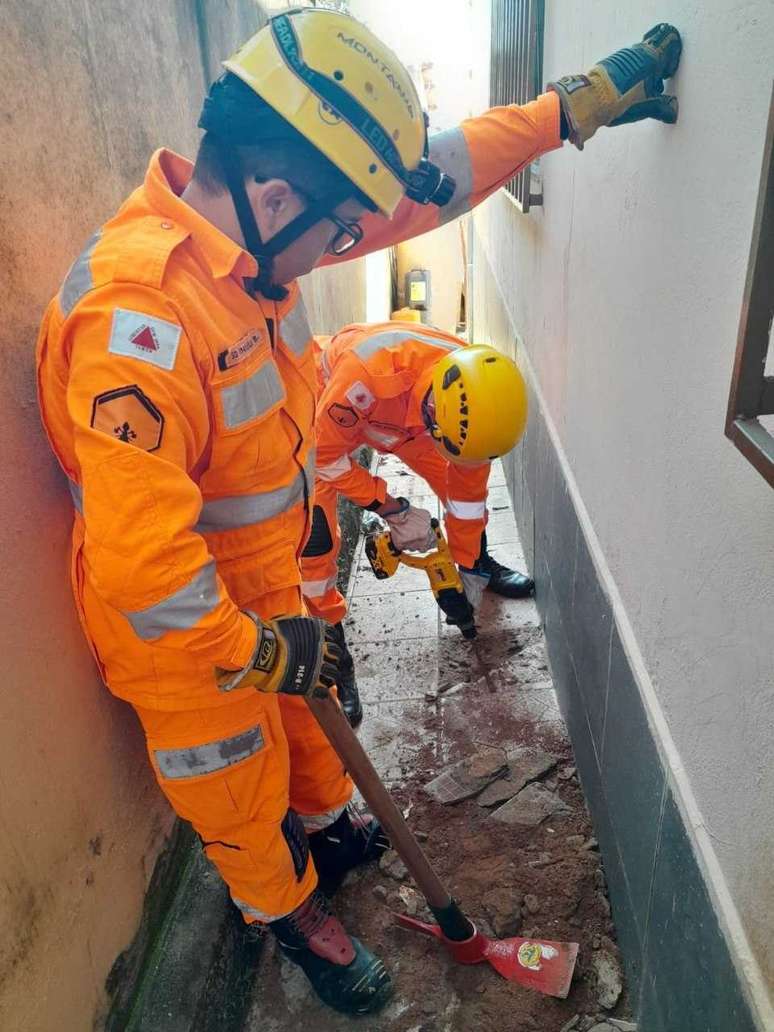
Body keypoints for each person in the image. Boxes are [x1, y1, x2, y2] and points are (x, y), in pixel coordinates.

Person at [35, 8, 681, 1015]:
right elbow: (143, 567)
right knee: (236, 785)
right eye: (339, 233)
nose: (346, 247)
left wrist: (562, 113)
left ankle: (331, 828)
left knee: (308, 730)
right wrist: (257, 647)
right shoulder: (138, 321)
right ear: (278, 197)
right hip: (185, 634)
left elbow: (425, 191)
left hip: (264, 586)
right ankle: (291, 917)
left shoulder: (253, 244)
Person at [302, 322, 533, 726]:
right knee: (315, 543)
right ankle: (333, 651)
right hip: (327, 416)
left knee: (461, 494)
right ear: (434, 414)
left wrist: (467, 568)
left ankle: (482, 564)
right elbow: (323, 457)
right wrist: (392, 508)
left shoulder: (478, 403)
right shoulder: (365, 375)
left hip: (410, 425)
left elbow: (466, 498)